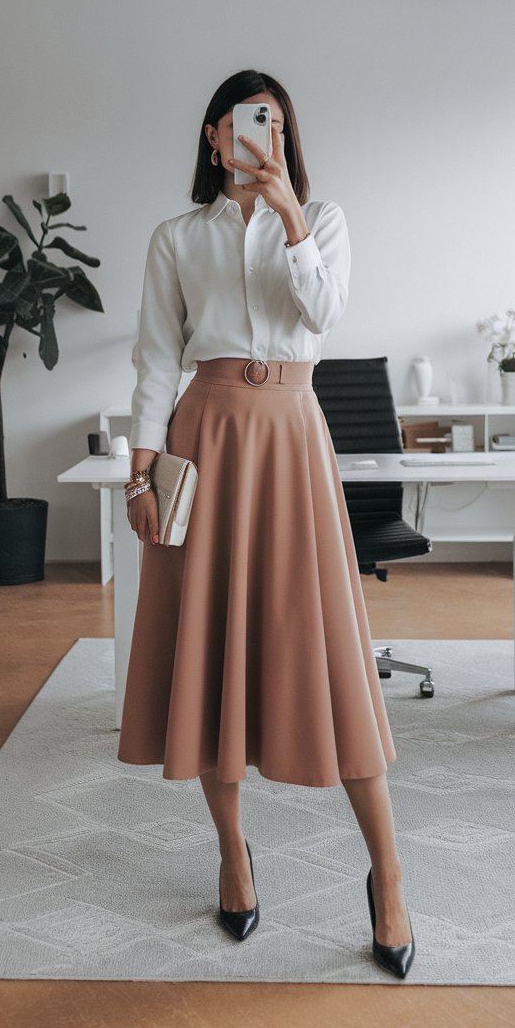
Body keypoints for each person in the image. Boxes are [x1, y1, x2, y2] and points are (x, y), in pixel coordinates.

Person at [117, 69, 415, 977]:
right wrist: (139, 470)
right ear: (214, 137)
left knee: (330, 653)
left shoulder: (321, 223)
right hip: (204, 438)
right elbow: (156, 358)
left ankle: (389, 876)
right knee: (206, 656)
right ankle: (233, 854)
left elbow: (321, 315)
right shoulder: (177, 237)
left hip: (291, 437)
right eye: (248, 124)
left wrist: (289, 216)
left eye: (275, 124)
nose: (261, 137)